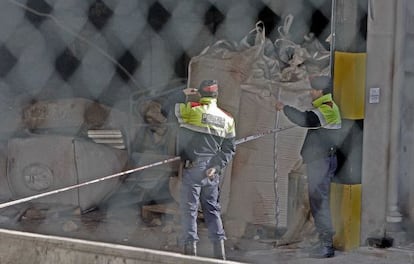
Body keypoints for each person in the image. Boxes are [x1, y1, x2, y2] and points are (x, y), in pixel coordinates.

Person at [275, 75, 341, 258]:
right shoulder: (325, 107)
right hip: (321, 160)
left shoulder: (327, 109)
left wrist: (284, 108)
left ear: (321, 91)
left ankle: (327, 244)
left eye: (313, 89)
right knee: (317, 201)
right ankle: (324, 241)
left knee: (319, 202)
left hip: (321, 161)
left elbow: (306, 120)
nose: (311, 92)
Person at [169, 80, 236, 260]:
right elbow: (229, 148)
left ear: (200, 94)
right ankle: (219, 254)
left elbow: (169, 110)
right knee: (212, 209)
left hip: (194, 167)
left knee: (189, 210)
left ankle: (191, 254)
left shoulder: (191, 110)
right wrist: (216, 166)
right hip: (212, 170)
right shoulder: (227, 119)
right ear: (216, 95)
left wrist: (184, 93)